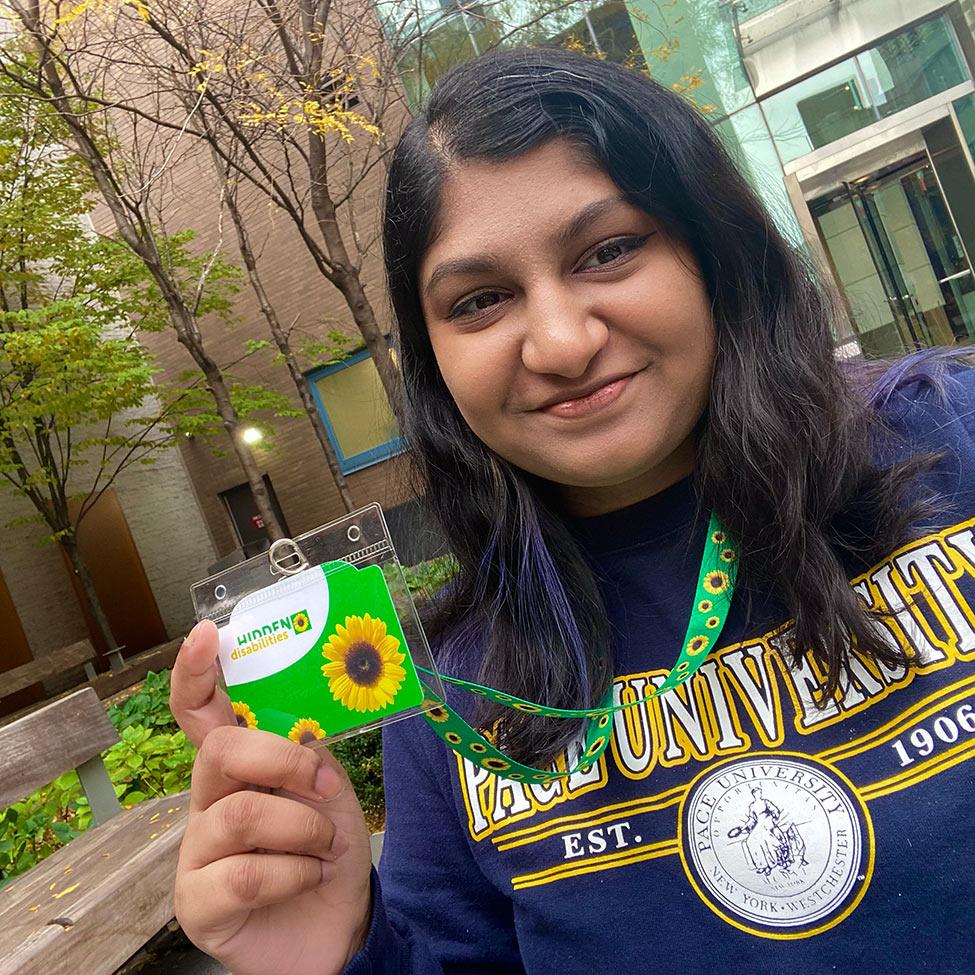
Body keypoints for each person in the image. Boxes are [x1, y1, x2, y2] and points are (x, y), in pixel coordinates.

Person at [169, 47, 975, 975]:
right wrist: (341, 952)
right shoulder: (451, 691)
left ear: (711, 247)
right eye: (479, 300)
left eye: (610, 249)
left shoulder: (949, 441)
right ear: (432, 362)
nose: (559, 342)